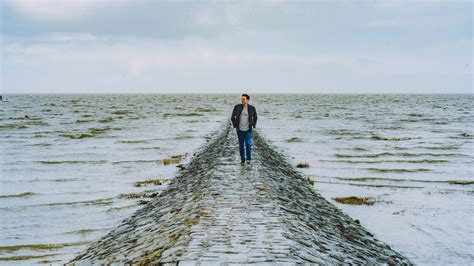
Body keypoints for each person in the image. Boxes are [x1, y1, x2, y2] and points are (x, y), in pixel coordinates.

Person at [230, 94, 258, 165]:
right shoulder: (237, 107)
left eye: (243, 99)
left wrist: (253, 125)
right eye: (241, 99)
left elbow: (255, 117)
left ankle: (248, 159)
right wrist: (235, 126)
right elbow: (232, 117)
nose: (242, 100)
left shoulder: (252, 108)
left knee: (248, 144)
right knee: (241, 145)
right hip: (239, 130)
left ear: (247, 100)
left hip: (248, 129)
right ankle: (242, 159)